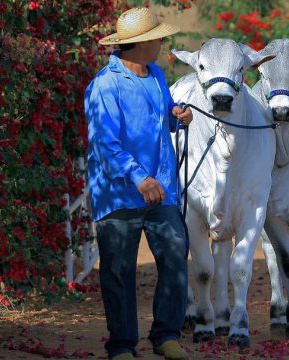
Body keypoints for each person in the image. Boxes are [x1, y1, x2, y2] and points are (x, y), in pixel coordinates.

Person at [84, 7, 193, 360]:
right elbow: (105, 142)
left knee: (176, 255)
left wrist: (177, 115)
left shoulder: (156, 75)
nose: (162, 42)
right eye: (157, 37)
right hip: (119, 193)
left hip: (161, 187)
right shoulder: (105, 84)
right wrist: (138, 177)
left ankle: (166, 335)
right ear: (140, 43)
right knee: (118, 269)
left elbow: (162, 116)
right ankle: (122, 346)